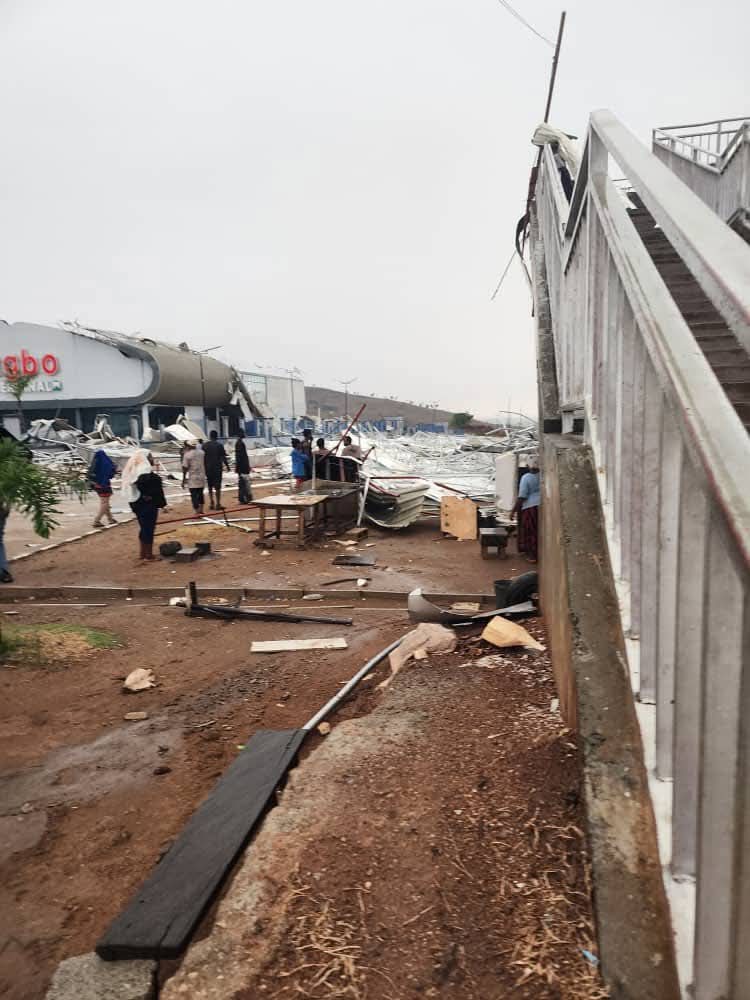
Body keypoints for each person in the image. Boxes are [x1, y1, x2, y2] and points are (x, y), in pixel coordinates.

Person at [121, 450, 167, 561]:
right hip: (145, 503)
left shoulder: (134, 469)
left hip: (134, 501)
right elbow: (143, 482)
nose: (152, 459)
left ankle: (142, 553)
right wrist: (147, 495)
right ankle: (149, 555)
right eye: (150, 457)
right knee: (148, 529)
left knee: (143, 528)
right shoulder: (144, 469)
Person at [514, 460, 540, 563]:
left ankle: (532, 555)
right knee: (538, 531)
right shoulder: (543, 475)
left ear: (528, 466)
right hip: (542, 505)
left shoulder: (526, 477)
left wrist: (513, 511)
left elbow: (522, 496)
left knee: (530, 531)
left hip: (530, 507)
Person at [202, 430, 230, 510]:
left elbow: (203, 457)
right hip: (217, 468)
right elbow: (223, 457)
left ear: (210, 436)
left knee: (210, 486)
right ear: (216, 436)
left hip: (208, 468)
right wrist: (227, 466)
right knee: (217, 487)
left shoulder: (205, 445)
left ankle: (211, 502)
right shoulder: (219, 445)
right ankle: (218, 503)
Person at [90, 449, 118, 528]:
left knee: (105, 503)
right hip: (104, 485)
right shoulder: (106, 463)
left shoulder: (94, 463)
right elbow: (110, 474)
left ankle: (110, 519)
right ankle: (97, 521)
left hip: (96, 486)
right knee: (105, 503)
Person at [182, 440, 206, 514]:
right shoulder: (202, 453)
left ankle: (196, 510)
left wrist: (183, 479)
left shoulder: (187, 455)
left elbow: (185, 467)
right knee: (200, 493)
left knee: (194, 494)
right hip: (201, 475)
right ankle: (201, 509)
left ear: (188, 446)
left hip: (193, 476)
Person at [235, 430, 253, 504]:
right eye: (243, 433)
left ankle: (243, 498)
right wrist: (243, 466)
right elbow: (240, 457)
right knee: (244, 483)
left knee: (243, 483)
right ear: (240, 434)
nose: (244, 434)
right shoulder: (240, 443)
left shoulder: (239, 443)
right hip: (242, 467)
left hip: (242, 466)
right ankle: (245, 498)